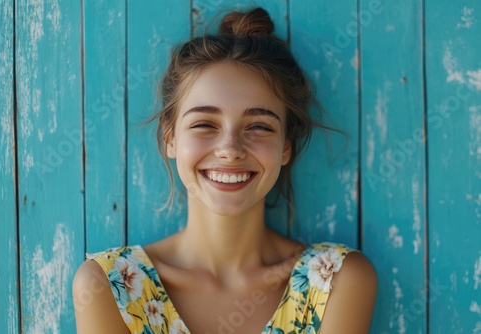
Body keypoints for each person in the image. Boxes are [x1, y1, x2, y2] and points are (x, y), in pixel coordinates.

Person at [73, 7, 377, 334]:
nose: (230, 149)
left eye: (259, 126)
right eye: (204, 124)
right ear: (170, 138)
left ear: (286, 145)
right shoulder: (109, 285)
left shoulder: (335, 281)